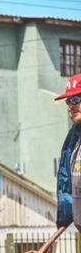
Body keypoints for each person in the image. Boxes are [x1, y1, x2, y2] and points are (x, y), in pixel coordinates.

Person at [55, 73, 81, 234]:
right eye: (68, 101)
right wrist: (65, 216)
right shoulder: (74, 137)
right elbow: (66, 179)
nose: (71, 105)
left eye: (76, 99)